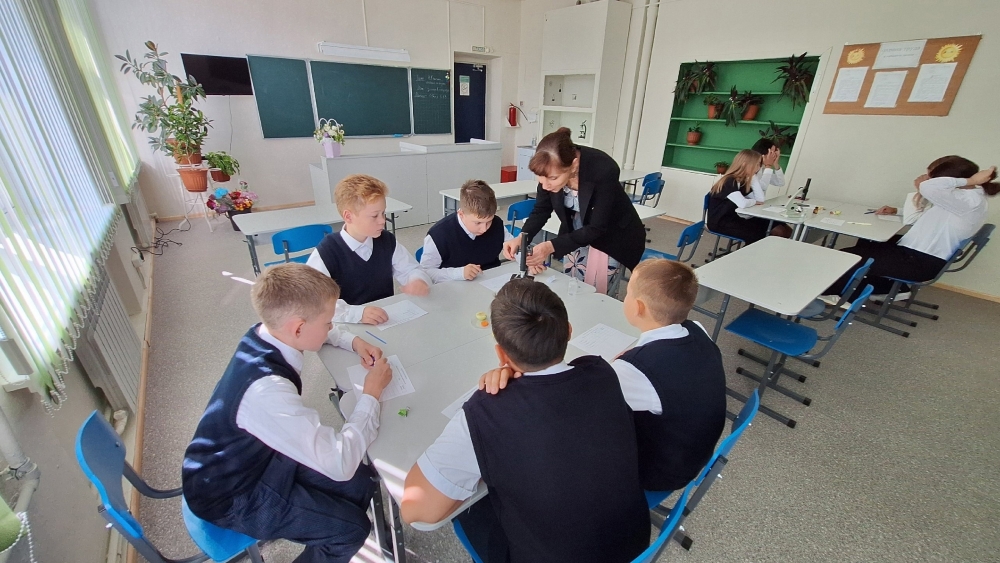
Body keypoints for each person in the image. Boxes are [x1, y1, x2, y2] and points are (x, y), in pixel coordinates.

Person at [399, 279, 650, 563]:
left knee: (474, 509)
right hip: (634, 546)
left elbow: (415, 512)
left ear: (501, 355)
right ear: (568, 332)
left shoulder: (484, 413)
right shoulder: (600, 371)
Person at [182, 263, 392, 563]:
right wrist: (371, 394)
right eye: (328, 322)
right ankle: (334, 533)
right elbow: (340, 462)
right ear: (298, 328)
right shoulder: (268, 392)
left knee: (362, 482)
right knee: (351, 530)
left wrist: (354, 341)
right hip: (231, 493)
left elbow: (316, 331)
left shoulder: (266, 333)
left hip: (254, 456)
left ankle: (327, 526)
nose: (331, 327)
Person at [479, 259, 727, 493]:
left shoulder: (634, 372)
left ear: (638, 307)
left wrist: (517, 371)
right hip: (693, 448)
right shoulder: (697, 330)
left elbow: (563, 403)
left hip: (661, 470)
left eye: (628, 293)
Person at [825, 157, 997, 298]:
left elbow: (929, 188)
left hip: (919, 262)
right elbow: (927, 216)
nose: (926, 180)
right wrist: (897, 211)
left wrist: (972, 180)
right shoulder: (965, 198)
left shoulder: (969, 201)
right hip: (919, 255)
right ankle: (886, 287)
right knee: (867, 242)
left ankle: (834, 293)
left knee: (850, 256)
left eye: (932, 177)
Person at [501, 127, 647, 287]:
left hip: (611, 235)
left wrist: (550, 246)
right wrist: (522, 237)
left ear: (574, 165)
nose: (546, 185)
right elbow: (541, 210)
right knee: (572, 285)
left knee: (597, 290)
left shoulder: (603, 169)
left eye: (553, 178)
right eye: (541, 179)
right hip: (576, 232)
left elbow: (597, 227)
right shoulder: (548, 171)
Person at [307, 174, 431, 326]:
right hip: (348, 326)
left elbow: (410, 269)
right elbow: (314, 301)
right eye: (374, 216)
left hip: (384, 320)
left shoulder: (386, 240)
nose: (382, 221)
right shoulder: (327, 251)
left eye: (383, 213)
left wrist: (417, 279)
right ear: (348, 216)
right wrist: (357, 313)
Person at [420, 179, 512, 283]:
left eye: (489, 221)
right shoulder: (439, 235)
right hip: (455, 286)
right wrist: (459, 273)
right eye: (478, 223)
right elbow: (426, 272)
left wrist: (523, 256)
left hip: (490, 281)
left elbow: (513, 246)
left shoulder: (497, 224)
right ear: (461, 214)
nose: (484, 229)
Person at [707, 149, 792, 244]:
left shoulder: (743, 180)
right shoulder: (729, 181)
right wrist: (755, 202)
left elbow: (760, 199)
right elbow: (743, 203)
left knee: (780, 227)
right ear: (744, 165)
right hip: (720, 222)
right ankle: (751, 253)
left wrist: (753, 177)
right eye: (756, 164)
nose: (758, 167)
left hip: (735, 217)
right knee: (760, 235)